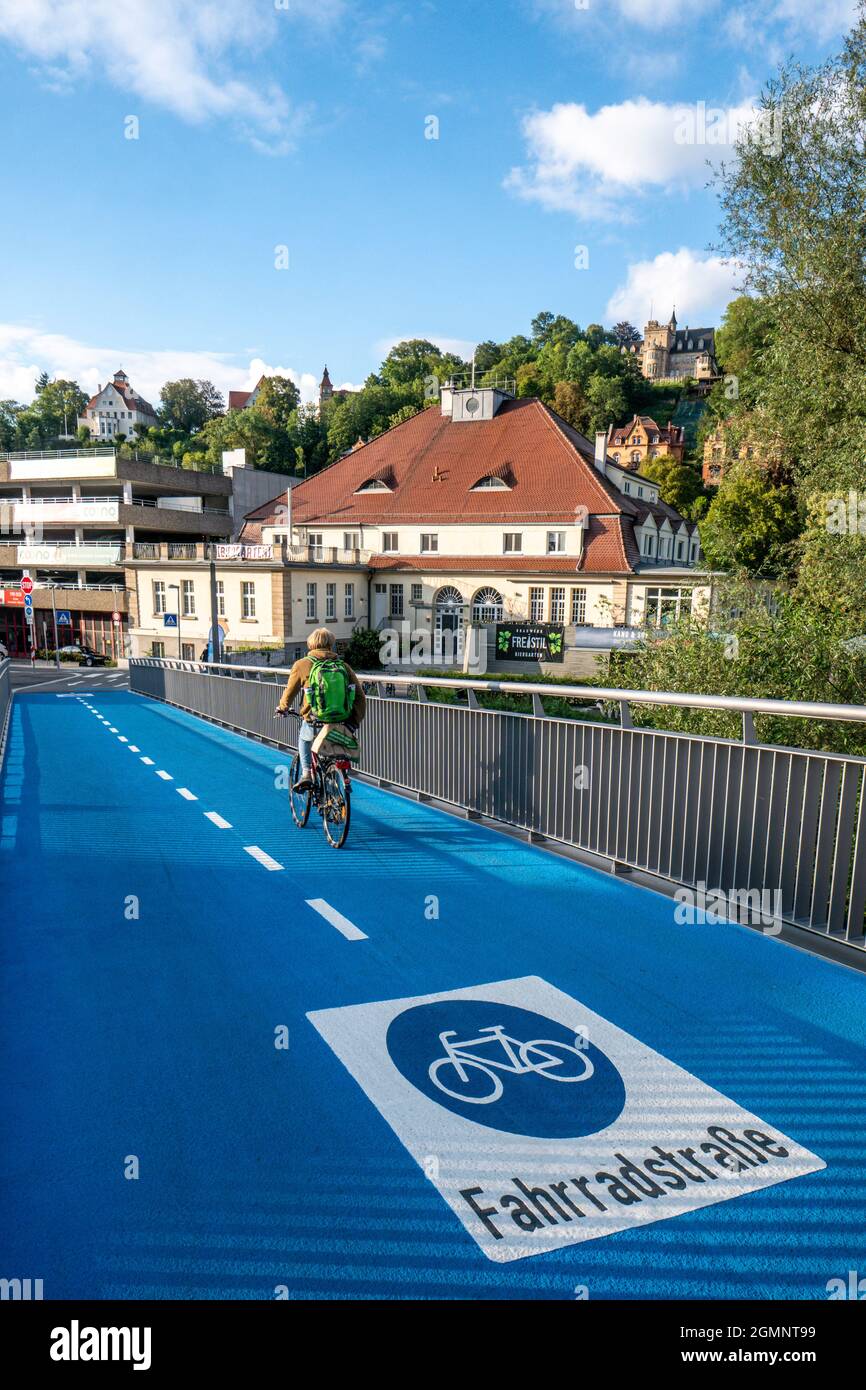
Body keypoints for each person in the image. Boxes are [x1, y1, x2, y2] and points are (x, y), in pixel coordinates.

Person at [275, 628, 366, 792]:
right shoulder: (343, 666)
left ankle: (307, 774)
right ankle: (340, 776)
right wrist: (354, 722)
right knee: (335, 752)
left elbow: (289, 693)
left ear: (310, 644)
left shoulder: (302, 665)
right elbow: (359, 696)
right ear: (331, 644)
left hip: (315, 722)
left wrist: (283, 708)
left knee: (304, 739)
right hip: (341, 721)